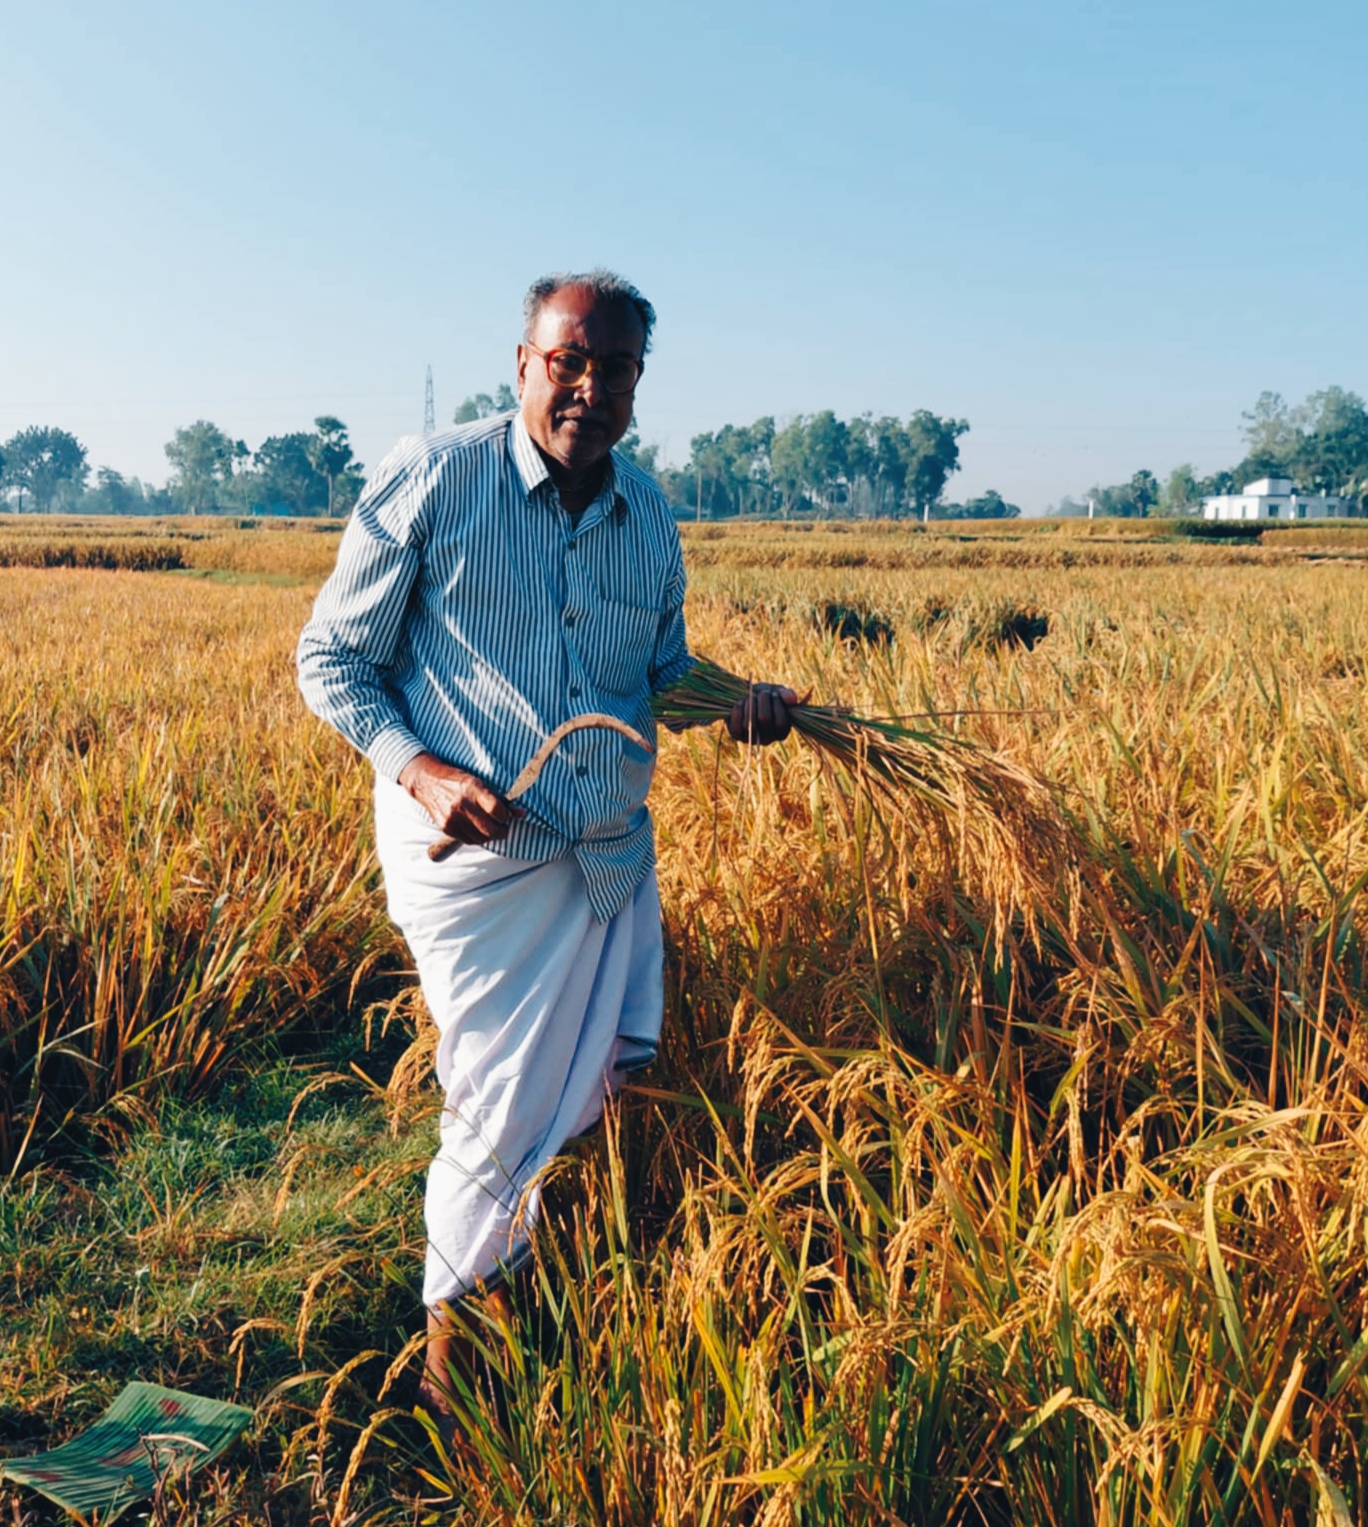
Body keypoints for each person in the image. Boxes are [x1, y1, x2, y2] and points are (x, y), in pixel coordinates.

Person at [296, 269, 793, 1419]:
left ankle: (550, 1292)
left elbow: (659, 676)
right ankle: (448, 1386)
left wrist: (744, 701)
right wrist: (423, 774)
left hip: (611, 858)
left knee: (610, 1084)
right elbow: (332, 661)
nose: (588, 386)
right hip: (477, 872)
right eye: (567, 360)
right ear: (523, 363)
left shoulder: (649, 516)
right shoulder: (436, 479)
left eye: (613, 368)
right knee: (497, 1109)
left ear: (635, 385)